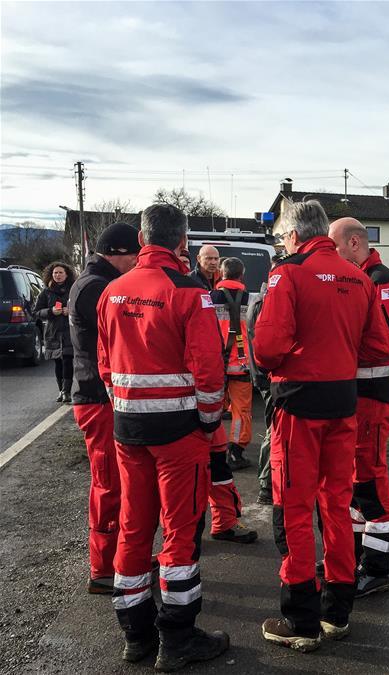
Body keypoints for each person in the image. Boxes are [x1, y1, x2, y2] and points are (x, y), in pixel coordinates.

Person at [253, 200, 389, 652]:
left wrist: (305, 354)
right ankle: (337, 612)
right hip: (343, 405)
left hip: (298, 406)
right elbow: (378, 347)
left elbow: (267, 349)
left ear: (293, 236)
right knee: (337, 505)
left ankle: (302, 621)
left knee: (293, 507)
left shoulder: (288, 273)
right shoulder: (360, 277)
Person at [96, 204, 229, 669]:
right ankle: (177, 638)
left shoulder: (112, 291)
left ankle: (135, 636)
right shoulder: (190, 292)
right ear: (182, 241)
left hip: (128, 430)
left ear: (141, 238)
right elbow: (209, 372)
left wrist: (126, 405)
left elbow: (105, 365)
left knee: (134, 528)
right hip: (179, 434)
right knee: (181, 534)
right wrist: (210, 421)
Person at [329, 217, 389, 598]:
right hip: (355, 394)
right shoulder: (358, 280)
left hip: (374, 395)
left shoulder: (382, 281)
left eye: (336, 248)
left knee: (371, 476)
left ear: (356, 243)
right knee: (354, 477)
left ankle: (378, 569)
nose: (332, 257)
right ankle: (358, 556)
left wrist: (347, 346)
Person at [69, 222, 141, 594]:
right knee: (109, 483)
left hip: (100, 396)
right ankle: (103, 568)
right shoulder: (97, 288)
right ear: (115, 252)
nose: (137, 263)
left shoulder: (94, 283)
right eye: (134, 255)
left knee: (116, 482)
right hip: (99, 398)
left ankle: (117, 562)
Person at [210, 258, 253, 471]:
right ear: (242, 274)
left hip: (215, 362)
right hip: (241, 364)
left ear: (221, 274)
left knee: (212, 406)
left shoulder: (210, 298)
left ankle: (212, 446)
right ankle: (235, 451)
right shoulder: (251, 300)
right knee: (240, 410)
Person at [246, 261, 275, 505]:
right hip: (267, 377)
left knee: (272, 428)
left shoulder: (259, 299)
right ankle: (266, 485)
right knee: (273, 430)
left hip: (261, 374)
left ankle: (267, 483)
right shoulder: (265, 303)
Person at [34, 261, 76, 403]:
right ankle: (60, 390)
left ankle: (67, 391)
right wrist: (50, 311)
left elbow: (82, 307)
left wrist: (70, 311)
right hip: (53, 332)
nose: (58, 275)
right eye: (55, 273)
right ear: (51, 275)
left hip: (69, 331)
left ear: (67, 274)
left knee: (68, 361)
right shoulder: (46, 292)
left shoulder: (73, 289)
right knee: (58, 363)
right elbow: (37, 312)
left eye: (60, 272)